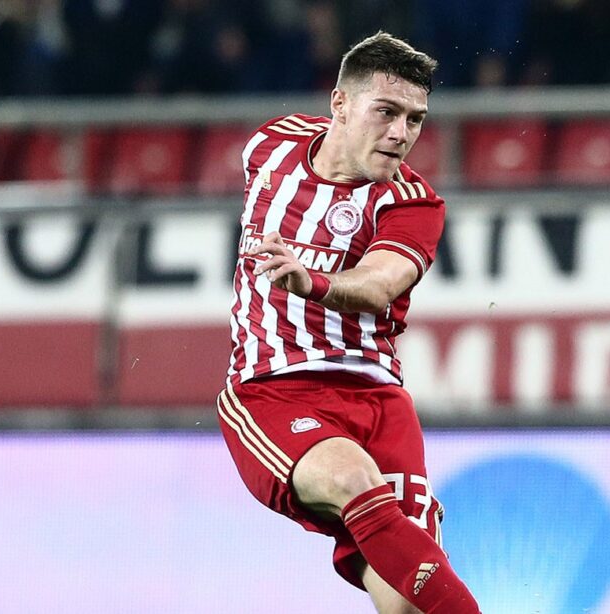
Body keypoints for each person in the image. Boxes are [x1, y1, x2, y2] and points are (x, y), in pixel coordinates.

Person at [217, 32, 480, 614]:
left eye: (415, 119)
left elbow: (380, 284)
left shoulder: (413, 203)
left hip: (381, 402)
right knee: (351, 477)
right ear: (339, 103)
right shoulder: (271, 145)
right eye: (386, 112)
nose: (401, 133)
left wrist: (312, 281)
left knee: (407, 604)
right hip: (274, 390)